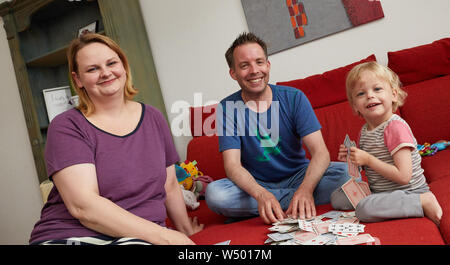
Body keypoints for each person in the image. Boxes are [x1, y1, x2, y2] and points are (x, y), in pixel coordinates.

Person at [29, 33, 203, 245]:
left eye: (111, 63)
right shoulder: (67, 126)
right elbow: (84, 207)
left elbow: (169, 185)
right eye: (92, 69)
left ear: (124, 66)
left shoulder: (153, 117)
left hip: (139, 238)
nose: (105, 73)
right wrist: (166, 237)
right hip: (73, 235)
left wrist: (185, 233)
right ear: (78, 80)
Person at [205, 32, 351, 224]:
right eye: (244, 65)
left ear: (268, 65)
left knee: (346, 175)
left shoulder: (294, 97)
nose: (254, 70)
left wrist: (306, 189)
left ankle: (279, 204)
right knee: (216, 195)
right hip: (255, 184)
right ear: (233, 73)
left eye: (259, 62)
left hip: (299, 175)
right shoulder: (227, 108)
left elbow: (321, 153)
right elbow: (232, 166)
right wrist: (261, 195)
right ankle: (284, 203)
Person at [330, 61, 442, 225]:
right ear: (355, 106)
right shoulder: (364, 131)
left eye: (377, 89)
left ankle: (422, 201)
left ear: (394, 95)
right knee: (337, 198)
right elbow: (368, 167)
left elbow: (404, 177)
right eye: (361, 93)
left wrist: (368, 159)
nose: (370, 95)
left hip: (409, 191)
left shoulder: (395, 127)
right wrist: (352, 158)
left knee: (363, 210)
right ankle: (382, 202)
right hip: (382, 191)